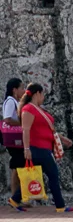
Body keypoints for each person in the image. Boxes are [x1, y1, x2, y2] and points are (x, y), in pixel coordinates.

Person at [19, 83, 73, 212]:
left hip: (44, 147)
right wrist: (26, 149)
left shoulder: (37, 109)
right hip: (38, 147)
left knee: (36, 175)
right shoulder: (28, 109)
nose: (43, 97)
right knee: (53, 175)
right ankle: (60, 206)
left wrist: (62, 138)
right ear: (37, 93)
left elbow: (48, 129)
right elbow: (25, 130)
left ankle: (15, 199)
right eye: (42, 94)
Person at [1, 79, 22, 209]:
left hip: (15, 138)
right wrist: (22, 123)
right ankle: (15, 197)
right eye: (21, 88)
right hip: (13, 138)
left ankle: (16, 197)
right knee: (18, 165)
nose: (23, 91)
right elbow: (7, 119)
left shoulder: (14, 101)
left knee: (17, 166)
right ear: (14, 89)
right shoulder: (10, 102)